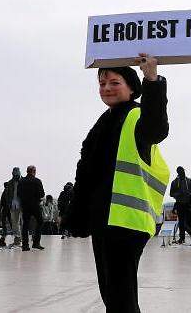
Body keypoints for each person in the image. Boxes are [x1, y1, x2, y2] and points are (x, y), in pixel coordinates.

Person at [66, 57, 170, 312]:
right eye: (102, 83)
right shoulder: (106, 121)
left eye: (114, 82)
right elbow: (89, 175)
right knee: (112, 294)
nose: (106, 88)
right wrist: (78, 214)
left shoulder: (134, 116)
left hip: (126, 221)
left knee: (121, 297)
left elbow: (156, 128)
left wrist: (153, 81)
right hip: (105, 219)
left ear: (132, 87)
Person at [18, 165, 45, 251]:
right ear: (34, 171)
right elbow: (42, 194)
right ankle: (36, 243)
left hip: (25, 206)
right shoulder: (37, 181)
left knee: (25, 225)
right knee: (40, 221)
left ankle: (25, 245)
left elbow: (18, 193)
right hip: (35, 205)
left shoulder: (21, 181)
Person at [169, 166, 191, 245]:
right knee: (182, 223)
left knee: (189, 223)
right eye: (179, 171)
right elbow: (171, 193)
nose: (182, 172)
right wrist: (178, 194)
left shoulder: (189, 181)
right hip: (179, 204)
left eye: (182, 170)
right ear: (177, 172)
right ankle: (184, 238)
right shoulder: (174, 182)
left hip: (188, 204)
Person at [0, 167, 23, 246]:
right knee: (14, 223)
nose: (16, 175)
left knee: (23, 222)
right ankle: (17, 238)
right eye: (14, 174)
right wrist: (9, 203)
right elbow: (6, 195)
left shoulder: (23, 181)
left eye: (17, 174)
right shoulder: (10, 183)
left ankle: (23, 238)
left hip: (22, 204)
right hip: (13, 205)